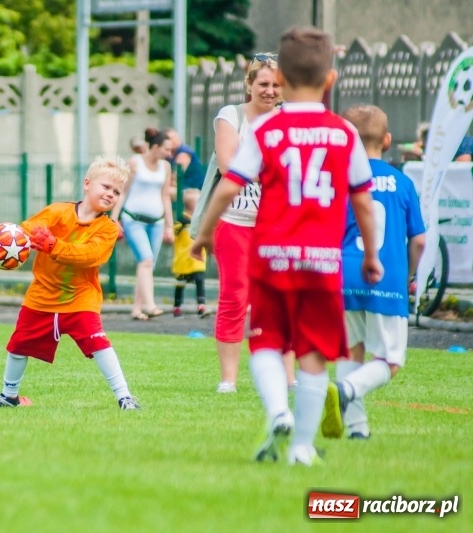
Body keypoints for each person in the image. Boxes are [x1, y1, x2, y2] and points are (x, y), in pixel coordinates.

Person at [191, 27, 383, 466]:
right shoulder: (343, 133)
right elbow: (364, 203)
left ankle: (278, 411)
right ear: (329, 80)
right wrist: (371, 254)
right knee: (313, 352)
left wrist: (203, 232)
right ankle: (301, 446)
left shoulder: (268, 131)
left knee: (264, 341)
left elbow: (228, 185)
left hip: (272, 253)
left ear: (283, 80)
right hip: (323, 257)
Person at [0, 156, 141, 410]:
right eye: (106, 186)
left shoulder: (108, 228)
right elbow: (24, 233)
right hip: (41, 297)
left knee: (99, 344)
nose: (111, 194)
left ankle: (125, 397)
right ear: (87, 184)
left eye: (117, 191)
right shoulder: (57, 211)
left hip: (80, 299)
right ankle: (8, 396)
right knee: (18, 346)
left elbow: (91, 256)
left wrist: (54, 245)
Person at [321, 105, 426, 440]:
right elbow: (420, 241)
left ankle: (357, 429)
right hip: (386, 276)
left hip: (344, 274)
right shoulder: (402, 181)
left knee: (353, 350)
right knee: (390, 360)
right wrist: (409, 275)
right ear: (388, 139)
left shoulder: (337, 178)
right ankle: (347, 388)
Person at [203, 52, 294, 394]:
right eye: (263, 84)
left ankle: (288, 376)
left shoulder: (288, 118)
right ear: (249, 85)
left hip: (277, 225)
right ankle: (228, 379)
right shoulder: (232, 115)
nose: (270, 91)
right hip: (235, 221)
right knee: (234, 298)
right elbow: (229, 167)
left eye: (276, 86)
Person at [110, 128, 175, 321]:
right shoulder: (135, 163)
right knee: (146, 261)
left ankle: (136, 309)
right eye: (166, 149)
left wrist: (169, 226)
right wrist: (114, 218)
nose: (169, 154)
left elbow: (165, 196)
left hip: (156, 222)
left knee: (146, 265)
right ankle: (150, 305)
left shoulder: (165, 167)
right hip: (133, 219)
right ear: (155, 147)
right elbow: (123, 192)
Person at [171, 188, 207, 318]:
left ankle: (201, 305)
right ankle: (177, 306)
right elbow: (172, 234)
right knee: (180, 284)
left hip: (198, 259)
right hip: (183, 259)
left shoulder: (202, 220)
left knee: (200, 280)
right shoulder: (182, 221)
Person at [164, 128, 207, 193]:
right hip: (181, 186)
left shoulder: (184, 152)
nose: (173, 141)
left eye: (175, 137)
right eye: (169, 139)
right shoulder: (168, 154)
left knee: (164, 191)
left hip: (193, 188)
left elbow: (176, 176)